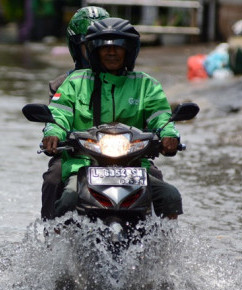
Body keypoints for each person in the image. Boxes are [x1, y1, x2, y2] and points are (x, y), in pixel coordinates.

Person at [42, 17, 183, 219]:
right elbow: (59, 113)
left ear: (129, 50)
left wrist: (169, 135)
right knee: (69, 199)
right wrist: (54, 132)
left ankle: (164, 246)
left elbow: (160, 116)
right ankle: (56, 241)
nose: (111, 51)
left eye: (118, 46)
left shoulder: (146, 85)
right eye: (104, 46)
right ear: (94, 51)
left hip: (134, 165)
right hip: (84, 163)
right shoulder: (75, 82)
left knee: (170, 196)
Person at [41, 6, 110, 220]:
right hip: (76, 155)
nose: (96, 52)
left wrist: (164, 135)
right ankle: (52, 233)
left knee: (156, 179)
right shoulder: (63, 84)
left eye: (102, 46)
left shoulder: (136, 82)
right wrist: (53, 134)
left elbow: (156, 113)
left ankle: (162, 238)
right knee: (53, 177)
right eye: (89, 46)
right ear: (76, 47)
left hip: (127, 157)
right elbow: (57, 116)